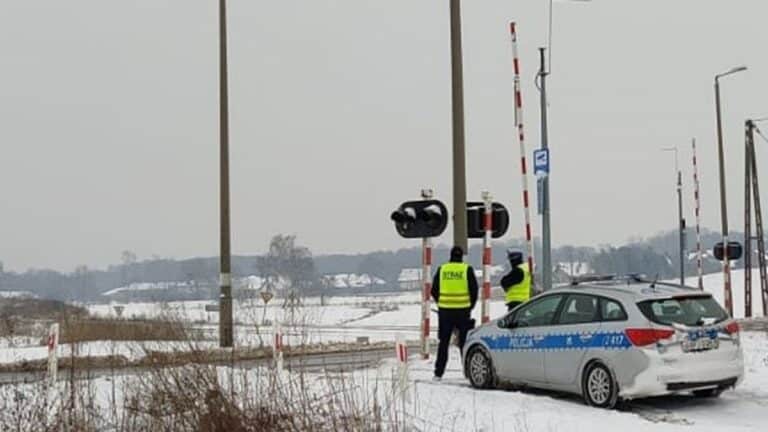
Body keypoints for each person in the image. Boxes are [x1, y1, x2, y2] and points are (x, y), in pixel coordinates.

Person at [430, 245, 478, 381]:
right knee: (465, 343)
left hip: (445, 313)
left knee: (443, 343)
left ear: (450, 256)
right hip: (463, 312)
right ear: (461, 256)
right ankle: (468, 372)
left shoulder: (442, 269)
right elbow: (474, 291)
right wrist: (470, 306)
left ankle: (438, 373)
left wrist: (441, 303)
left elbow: (433, 290)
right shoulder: (466, 270)